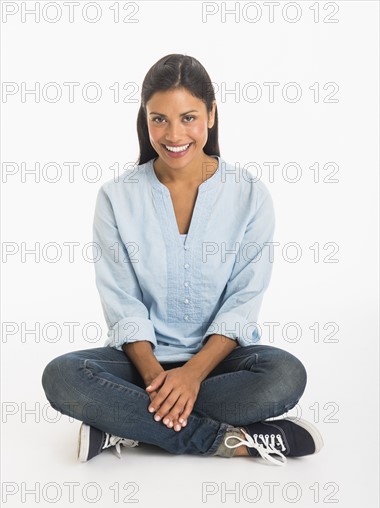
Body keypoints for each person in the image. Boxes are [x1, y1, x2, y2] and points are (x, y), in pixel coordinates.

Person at [41, 53, 323, 466]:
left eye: (188, 117)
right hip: (140, 363)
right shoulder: (117, 198)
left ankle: (125, 424)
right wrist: (158, 379)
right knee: (63, 378)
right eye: (159, 119)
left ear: (211, 114)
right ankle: (232, 441)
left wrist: (191, 376)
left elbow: (243, 301)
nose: (174, 134)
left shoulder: (249, 195)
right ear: (145, 119)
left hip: (221, 363)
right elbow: (122, 300)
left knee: (285, 375)